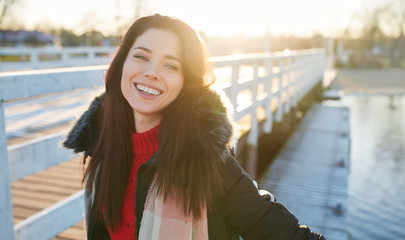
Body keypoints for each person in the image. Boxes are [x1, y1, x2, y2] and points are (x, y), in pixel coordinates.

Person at [64, 14, 325, 240]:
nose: (152, 72)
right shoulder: (101, 145)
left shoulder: (206, 160)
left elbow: (281, 231)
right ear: (122, 64)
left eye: (170, 65)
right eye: (142, 56)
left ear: (185, 82)